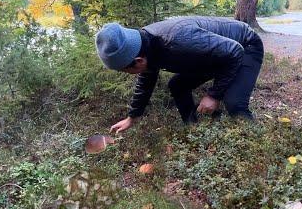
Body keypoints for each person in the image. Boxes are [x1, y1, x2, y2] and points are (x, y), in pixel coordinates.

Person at [95, 16, 264, 133]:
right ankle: (195, 128)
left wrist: (214, 95)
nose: (129, 74)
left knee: (235, 104)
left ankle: (253, 139)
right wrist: (132, 117)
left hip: (245, 46)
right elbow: (146, 80)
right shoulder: (145, 45)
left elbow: (235, 51)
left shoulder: (178, 40)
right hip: (218, 56)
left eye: (126, 70)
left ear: (139, 60)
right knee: (178, 85)